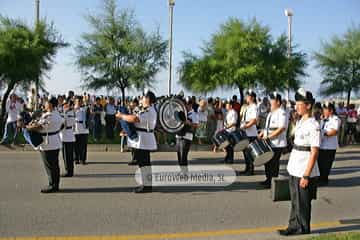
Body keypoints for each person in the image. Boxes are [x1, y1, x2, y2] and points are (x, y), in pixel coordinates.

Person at [278, 88, 319, 236]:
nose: (296, 106)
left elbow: (314, 152)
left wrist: (306, 175)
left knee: (303, 201)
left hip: (304, 169)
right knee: (295, 200)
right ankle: (293, 225)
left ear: (308, 105)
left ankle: (303, 228)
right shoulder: (300, 121)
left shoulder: (313, 125)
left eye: (299, 103)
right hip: (294, 167)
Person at [116, 90, 157, 193]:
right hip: (142, 137)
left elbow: (135, 119)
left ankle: (147, 186)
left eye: (143, 97)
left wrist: (122, 116)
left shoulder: (149, 110)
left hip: (144, 138)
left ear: (148, 99)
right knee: (142, 162)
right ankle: (146, 184)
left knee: (144, 163)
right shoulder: (146, 109)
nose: (142, 99)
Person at [35, 97, 64, 193]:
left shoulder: (48, 116)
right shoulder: (57, 114)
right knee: (54, 164)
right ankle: (55, 184)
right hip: (55, 141)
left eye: (46, 102)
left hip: (48, 143)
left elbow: (39, 127)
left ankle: (52, 185)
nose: (45, 104)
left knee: (49, 165)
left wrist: (28, 127)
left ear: (51, 104)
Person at [258, 92, 287, 188]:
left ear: (278, 102)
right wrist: (263, 132)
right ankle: (268, 179)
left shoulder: (282, 113)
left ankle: (273, 182)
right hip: (269, 142)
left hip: (277, 143)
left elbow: (281, 128)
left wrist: (269, 136)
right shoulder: (271, 113)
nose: (270, 102)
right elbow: (268, 127)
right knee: (267, 161)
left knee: (274, 163)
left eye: (273, 100)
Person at [318, 102, 340, 186]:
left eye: (325, 109)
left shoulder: (335, 119)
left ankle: (324, 180)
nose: (323, 111)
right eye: (323, 109)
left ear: (330, 110)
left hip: (330, 147)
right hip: (321, 145)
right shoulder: (322, 119)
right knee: (320, 163)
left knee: (326, 164)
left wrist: (323, 133)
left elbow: (334, 131)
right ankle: (320, 179)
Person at [175, 97, 199, 166]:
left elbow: (197, 125)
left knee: (183, 156)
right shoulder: (180, 113)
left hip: (187, 136)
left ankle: (184, 173)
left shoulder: (194, 114)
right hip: (178, 135)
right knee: (179, 156)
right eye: (185, 103)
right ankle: (182, 172)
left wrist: (189, 123)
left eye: (188, 104)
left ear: (191, 105)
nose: (186, 105)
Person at [240, 89, 258, 175]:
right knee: (245, 152)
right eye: (247, 96)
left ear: (253, 98)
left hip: (251, 133)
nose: (247, 97)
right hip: (246, 132)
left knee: (249, 153)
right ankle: (247, 168)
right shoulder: (248, 107)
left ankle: (251, 170)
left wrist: (245, 126)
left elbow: (254, 120)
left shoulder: (254, 107)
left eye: (249, 96)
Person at [59, 100, 76, 177]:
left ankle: (69, 171)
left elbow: (64, 124)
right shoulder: (68, 113)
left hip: (67, 136)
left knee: (67, 156)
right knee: (67, 155)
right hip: (67, 136)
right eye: (64, 105)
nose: (64, 106)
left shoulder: (68, 113)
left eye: (65, 105)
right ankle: (69, 171)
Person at [74, 96, 90, 165]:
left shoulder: (85, 108)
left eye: (80, 101)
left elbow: (89, 116)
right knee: (76, 145)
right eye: (78, 101)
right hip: (76, 128)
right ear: (75, 102)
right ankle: (76, 159)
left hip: (84, 128)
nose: (79, 103)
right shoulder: (73, 109)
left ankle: (83, 159)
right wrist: (75, 110)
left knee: (83, 145)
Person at [223, 99, 238, 164]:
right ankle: (227, 158)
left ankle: (230, 159)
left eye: (227, 104)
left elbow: (234, 123)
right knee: (226, 146)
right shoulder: (227, 112)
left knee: (230, 146)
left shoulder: (233, 112)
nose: (226, 105)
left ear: (231, 105)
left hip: (231, 131)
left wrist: (227, 127)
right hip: (226, 131)